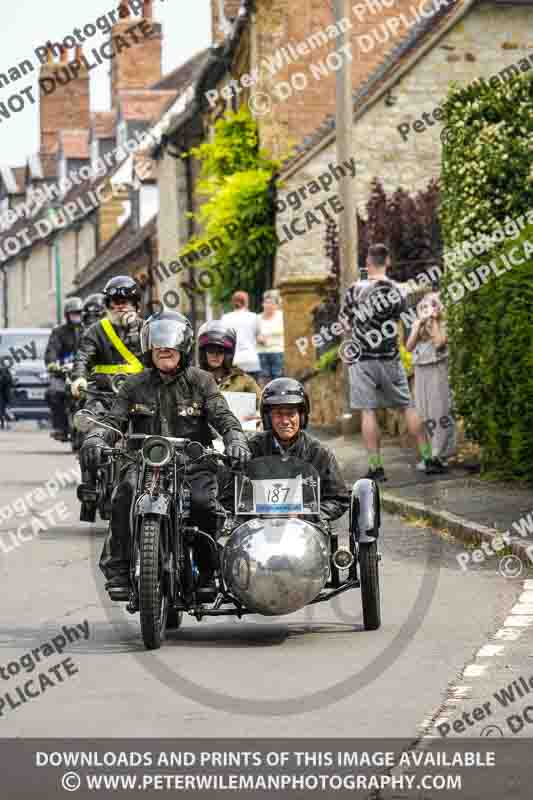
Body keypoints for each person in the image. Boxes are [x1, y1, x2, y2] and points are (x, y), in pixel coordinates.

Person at [80, 310, 251, 592]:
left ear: (183, 346)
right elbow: (113, 421)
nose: (164, 348)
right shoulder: (134, 384)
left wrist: (235, 438)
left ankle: (207, 572)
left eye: (170, 342)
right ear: (149, 346)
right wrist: (97, 438)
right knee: (124, 493)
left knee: (202, 503)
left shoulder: (201, 381)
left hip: (192, 464)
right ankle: (119, 568)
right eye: (158, 342)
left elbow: (223, 415)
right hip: (144, 464)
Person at [341, 243, 444, 481]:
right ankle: (428, 459)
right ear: (387, 261)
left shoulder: (354, 290)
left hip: (362, 358)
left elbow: (345, 324)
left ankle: (376, 468)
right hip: (389, 357)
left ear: (367, 263)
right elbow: (405, 320)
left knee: (368, 411)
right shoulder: (399, 290)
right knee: (407, 406)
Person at [246, 377, 350, 525]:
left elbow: (339, 499)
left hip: (306, 532)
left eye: (291, 414)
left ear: (301, 417)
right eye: (278, 414)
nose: (285, 420)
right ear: (268, 418)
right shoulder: (252, 449)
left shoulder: (319, 453)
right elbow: (233, 498)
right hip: (260, 531)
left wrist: (305, 514)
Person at [71, 276, 144, 406]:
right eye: (115, 301)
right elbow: (83, 356)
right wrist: (79, 377)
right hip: (103, 394)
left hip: (142, 394)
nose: (120, 306)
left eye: (125, 301)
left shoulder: (147, 328)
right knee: (92, 422)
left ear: (135, 304)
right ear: (108, 305)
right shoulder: (95, 330)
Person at [405, 289, 456, 470]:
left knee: (439, 411)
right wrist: (418, 325)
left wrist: (433, 321)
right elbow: (409, 346)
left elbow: (439, 342)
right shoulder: (418, 324)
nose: (427, 308)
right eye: (424, 305)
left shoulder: (442, 324)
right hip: (420, 370)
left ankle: (438, 454)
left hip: (437, 369)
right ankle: (429, 455)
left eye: (432, 305)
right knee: (423, 413)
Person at [198, 320, 261, 413]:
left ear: (228, 354)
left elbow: (262, 405)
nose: (215, 355)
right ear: (204, 353)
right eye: (211, 350)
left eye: (220, 351)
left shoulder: (244, 381)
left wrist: (258, 416)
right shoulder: (193, 379)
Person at [44, 296, 83, 440]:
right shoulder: (59, 332)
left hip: (84, 373)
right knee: (53, 393)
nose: (76, 316)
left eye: (78, 313)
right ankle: (59, 427)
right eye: (73, 313)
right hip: (63, 373)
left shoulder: (89, 331)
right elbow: (51, 350)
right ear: (67, 315)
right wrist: (52, 363)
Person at [221, 290, 261, 381]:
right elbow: (259, 337)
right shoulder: (253, 317)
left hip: (233, 361)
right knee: (253, 392)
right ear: (246, 302)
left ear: (233, 302)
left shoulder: (226, 318)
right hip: (251, 360)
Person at [256, 290, 285, 385]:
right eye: (266, 303)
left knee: (278, 380)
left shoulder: (281, 316)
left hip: (278, 352)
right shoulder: (257, 318)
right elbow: (254, 334)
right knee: (264, 380)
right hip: (262, 353)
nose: (268, 305)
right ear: (262, 304)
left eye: (271, 303)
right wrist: (258, 338)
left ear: (276, 305)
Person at [0, 364, 13, 430]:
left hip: (4, 394)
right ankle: (5, 424)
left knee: (3, 410)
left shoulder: (5, 372)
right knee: (4, 409)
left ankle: (4, 424)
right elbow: (11, 382)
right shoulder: (6, 372)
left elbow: (10, 382)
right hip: (5, 394)